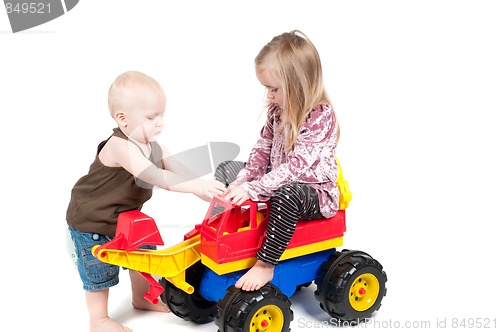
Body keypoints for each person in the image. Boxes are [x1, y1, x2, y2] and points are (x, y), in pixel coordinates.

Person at [66, 71, 226, 332]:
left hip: (126, 218)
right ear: (123, 119)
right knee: (99, 272)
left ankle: (141, 298)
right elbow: (156, 176)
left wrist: (204, 188)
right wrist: (196, 186)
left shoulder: (154, 146)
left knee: (143, 256)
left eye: (162, 115)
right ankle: (99, 320)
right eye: (152, 117)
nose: (160, 123)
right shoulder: (120, 146)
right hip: (93, 221)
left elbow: (179, 170)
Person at [221, 30, 340, 292]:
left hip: (313, 193)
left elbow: (296, 168)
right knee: (228, 169)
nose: (269, 96)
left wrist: (253, 189)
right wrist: (242, 182)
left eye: (274, 89)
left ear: (299, 85)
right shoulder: (277, 112)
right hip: (277, 182)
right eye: (267, 89)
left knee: (287, 194)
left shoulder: (320, 117)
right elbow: (262, 149)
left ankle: (266, 264)